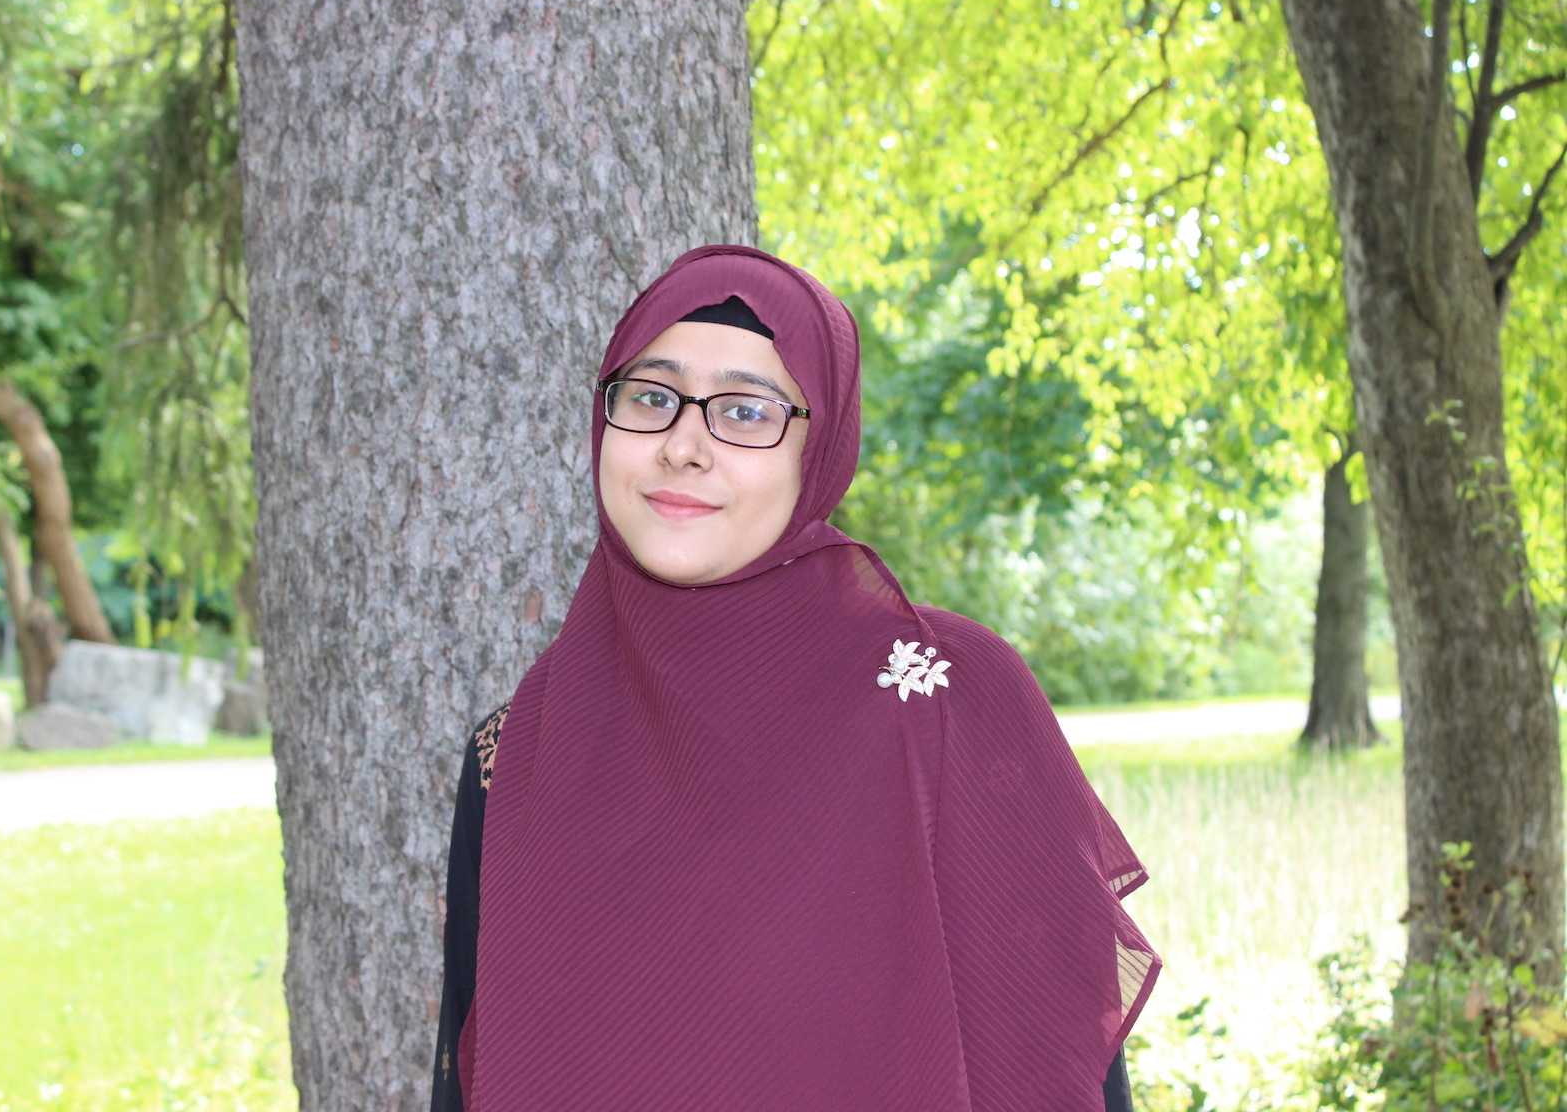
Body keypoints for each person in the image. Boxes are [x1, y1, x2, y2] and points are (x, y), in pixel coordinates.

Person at [430, 245, 1158, 1111]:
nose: (683, 446)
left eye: (744, 410)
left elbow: (1053, 1061)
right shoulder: (518, 755)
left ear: (822, 446)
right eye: (652, 397)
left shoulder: (944, 700)